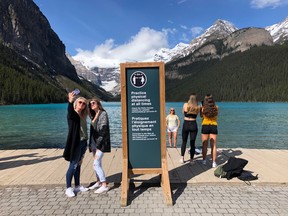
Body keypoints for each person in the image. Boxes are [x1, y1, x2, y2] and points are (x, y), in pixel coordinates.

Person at [63, 92, 89, 198]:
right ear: (76, 104)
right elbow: (69, 112)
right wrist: (70, 100)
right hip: (76, 143)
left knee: (78, 164)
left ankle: (77, 185)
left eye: (84, 104)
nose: (82, 105)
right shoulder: (72, 114)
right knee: (73, 165)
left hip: (83, 142)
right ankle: (68, 188)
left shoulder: (83, 116)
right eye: (80, 102)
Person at [88, 98, 111, 193]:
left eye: (93, 103)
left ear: (98, 103)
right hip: (94, 142)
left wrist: (98, 145)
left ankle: (104, 184)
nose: (91, 105)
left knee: (96, 163)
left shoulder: (103, 113)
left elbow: (104, 130)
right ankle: (98, 182)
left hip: (100, 143)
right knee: (97, 163)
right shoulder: (93, 115)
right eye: (90, 104)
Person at [180, 93, 201, 164]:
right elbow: (199, 114)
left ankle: (182, 158)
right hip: (193, 124)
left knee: (184, 141)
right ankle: (191, 160)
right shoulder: (198, 106)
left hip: (186, 124)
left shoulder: (185, 105)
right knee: (192, 143)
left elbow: (183, 112)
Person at [201, 94, 219, 168]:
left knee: (204, 144)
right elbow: (216, 115)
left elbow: (201, 116)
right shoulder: (216, 107)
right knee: (213, 145)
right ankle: (214, 162)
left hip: (205, 125)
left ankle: (204, 160)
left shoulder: (203, 108)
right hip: (213, 126)